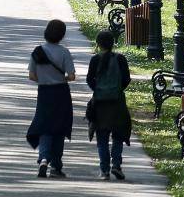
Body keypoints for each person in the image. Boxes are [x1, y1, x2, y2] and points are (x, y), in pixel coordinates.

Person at [26, 20, 76, 178]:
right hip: (61, 92)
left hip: (44, 92)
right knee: (59, 128)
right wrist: (61, 79)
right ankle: (56, 166)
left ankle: (43, 158)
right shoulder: (64, 52)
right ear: (62, 35)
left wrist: (44, 79)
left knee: (45, 126)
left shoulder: (37, 51)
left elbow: (32, 76)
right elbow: (72, 76)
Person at [85, 30, 132, 181]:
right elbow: (126, 79)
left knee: (102, 137)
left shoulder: (95, 60)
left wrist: (99, 91)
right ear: (113, 43)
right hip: (117, 102)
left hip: (100, 104)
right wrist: (117, 90)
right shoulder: (120, 59)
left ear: (98, 44)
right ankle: (116, 165)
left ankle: (104, 170)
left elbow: (89, 80)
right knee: (118, 135)